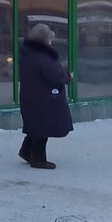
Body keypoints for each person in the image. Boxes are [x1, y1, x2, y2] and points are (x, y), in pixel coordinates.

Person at [18, 24, 73, 170]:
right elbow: (55, 76)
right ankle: (38, 159)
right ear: (43, 39)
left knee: (35, 126)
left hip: (30, 97)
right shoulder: (43, 56)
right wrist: (68, 77)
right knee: (42, 128)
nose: (51, 41)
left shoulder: (27, 53)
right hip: (43, 99)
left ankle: (26, 151)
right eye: (49, 37)